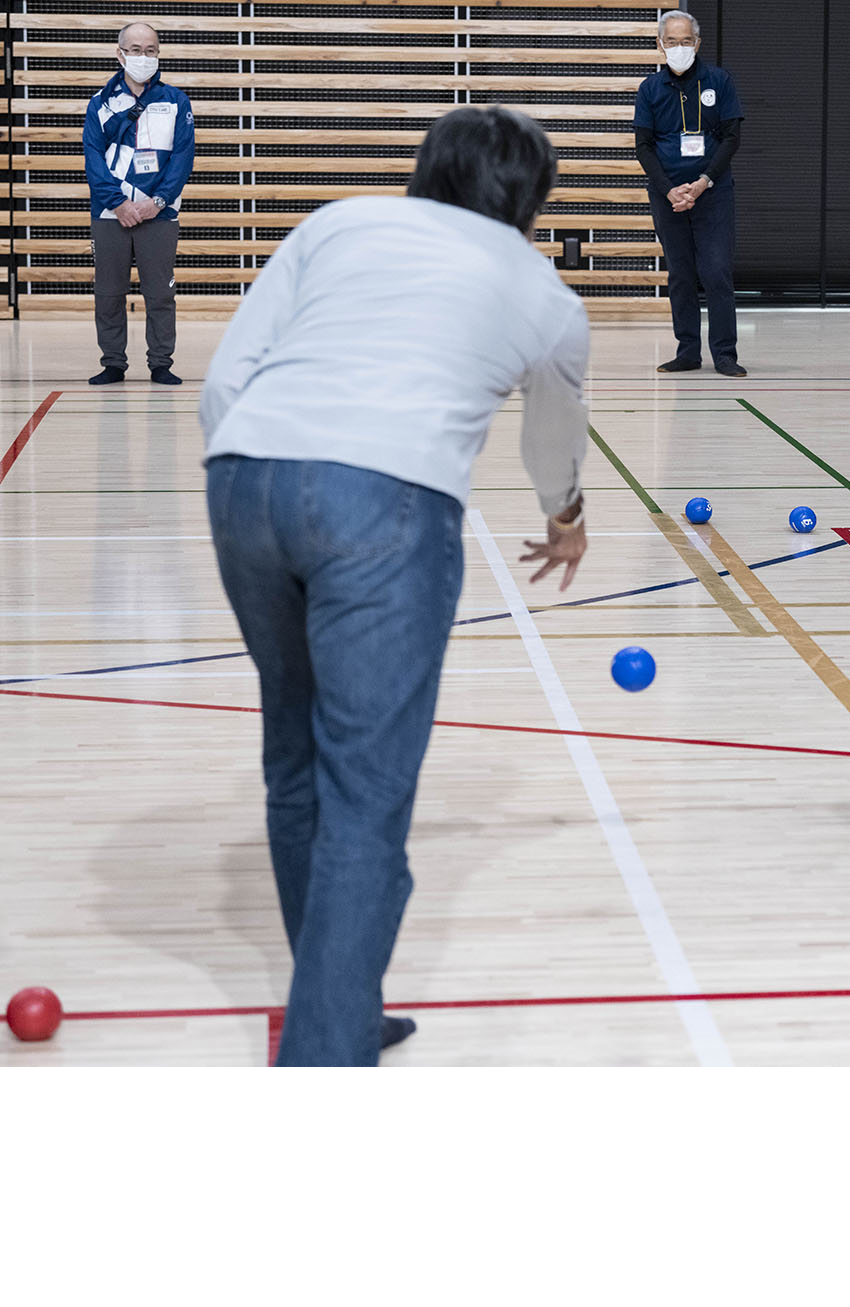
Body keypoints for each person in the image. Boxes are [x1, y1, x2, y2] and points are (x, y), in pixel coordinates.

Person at [198, 107, 591, 1066]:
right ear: (531, 197)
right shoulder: (543, 292)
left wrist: (252, 470)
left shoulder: (340, 222)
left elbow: (228, 375)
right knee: (366, 796)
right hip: (385, 506)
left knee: (295, 758)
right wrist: (566, 516)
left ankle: (341, 998)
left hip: (245, 476)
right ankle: (327, 1060)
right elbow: (554, 440)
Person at [634, 10, 746, 377]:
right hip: (668, 197)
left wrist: (703, 181)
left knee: (716, 272)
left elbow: (731, 138)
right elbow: (644, 146)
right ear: (659, 45)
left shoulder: (719, 81)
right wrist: (669, 191)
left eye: (685, 41)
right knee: (680, 274)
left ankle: (725, 354)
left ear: (697, 43)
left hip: (712, 193)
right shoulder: (650, 89)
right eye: (671, 42)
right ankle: (687, 351)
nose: (679, 48)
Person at [83, 22, 194, 386]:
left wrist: (158, 201)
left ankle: (160, 363)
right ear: (120, 54)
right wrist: (118, 203)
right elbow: (93, 158)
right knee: (109, 292)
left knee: (160, 292)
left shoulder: (176, 101)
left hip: (159, 214)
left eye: (150, 50)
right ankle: (113, 362)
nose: (142, 56)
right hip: (110, 213)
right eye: (134, 49)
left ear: (158, 54)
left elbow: (182, 156)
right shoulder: (100, 104)